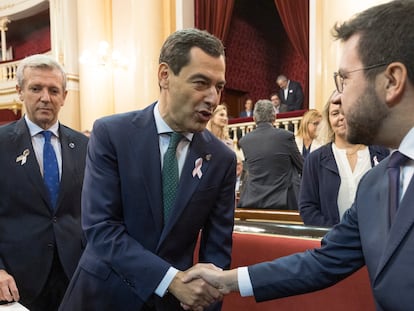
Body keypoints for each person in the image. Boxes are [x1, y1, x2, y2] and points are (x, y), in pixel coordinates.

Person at [181, 1, 414, 310]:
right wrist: (229, 280)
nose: (339, 98)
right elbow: (322, 261)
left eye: (344, 79)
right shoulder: (375, 183)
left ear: (392, 81)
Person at [58, 28, 236, 311]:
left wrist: (204, 302)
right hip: (103, 297)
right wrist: (170, 280)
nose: (213, 99)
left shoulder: (222, 158)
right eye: (201, 83)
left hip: (171, 305)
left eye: (219, 87)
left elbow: (216, 252)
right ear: (164, 75)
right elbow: (101, 229)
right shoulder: (111, 134)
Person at [0, 54, 88, 310]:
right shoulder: (1, 143)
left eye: (53, 90)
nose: (45, 97)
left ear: (64, 96)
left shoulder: (85, 146)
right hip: (17, 281)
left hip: (76, 276)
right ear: (20, 92)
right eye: (36, 88)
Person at [299, 93, 389, 226]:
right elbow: (307, 207)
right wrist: (335, 235)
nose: (341, 117)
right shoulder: (315, 160)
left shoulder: (382, 154)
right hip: (332, 242)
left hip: (376, 242)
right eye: (335, 113)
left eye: (347, 111)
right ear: (328, 120)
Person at [237, 99, 303, 210]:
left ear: (254, 118)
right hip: (285, 203)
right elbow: (302, 166)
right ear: (274, 117)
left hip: (252, 201)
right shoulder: (285, 137)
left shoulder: (244, 140)